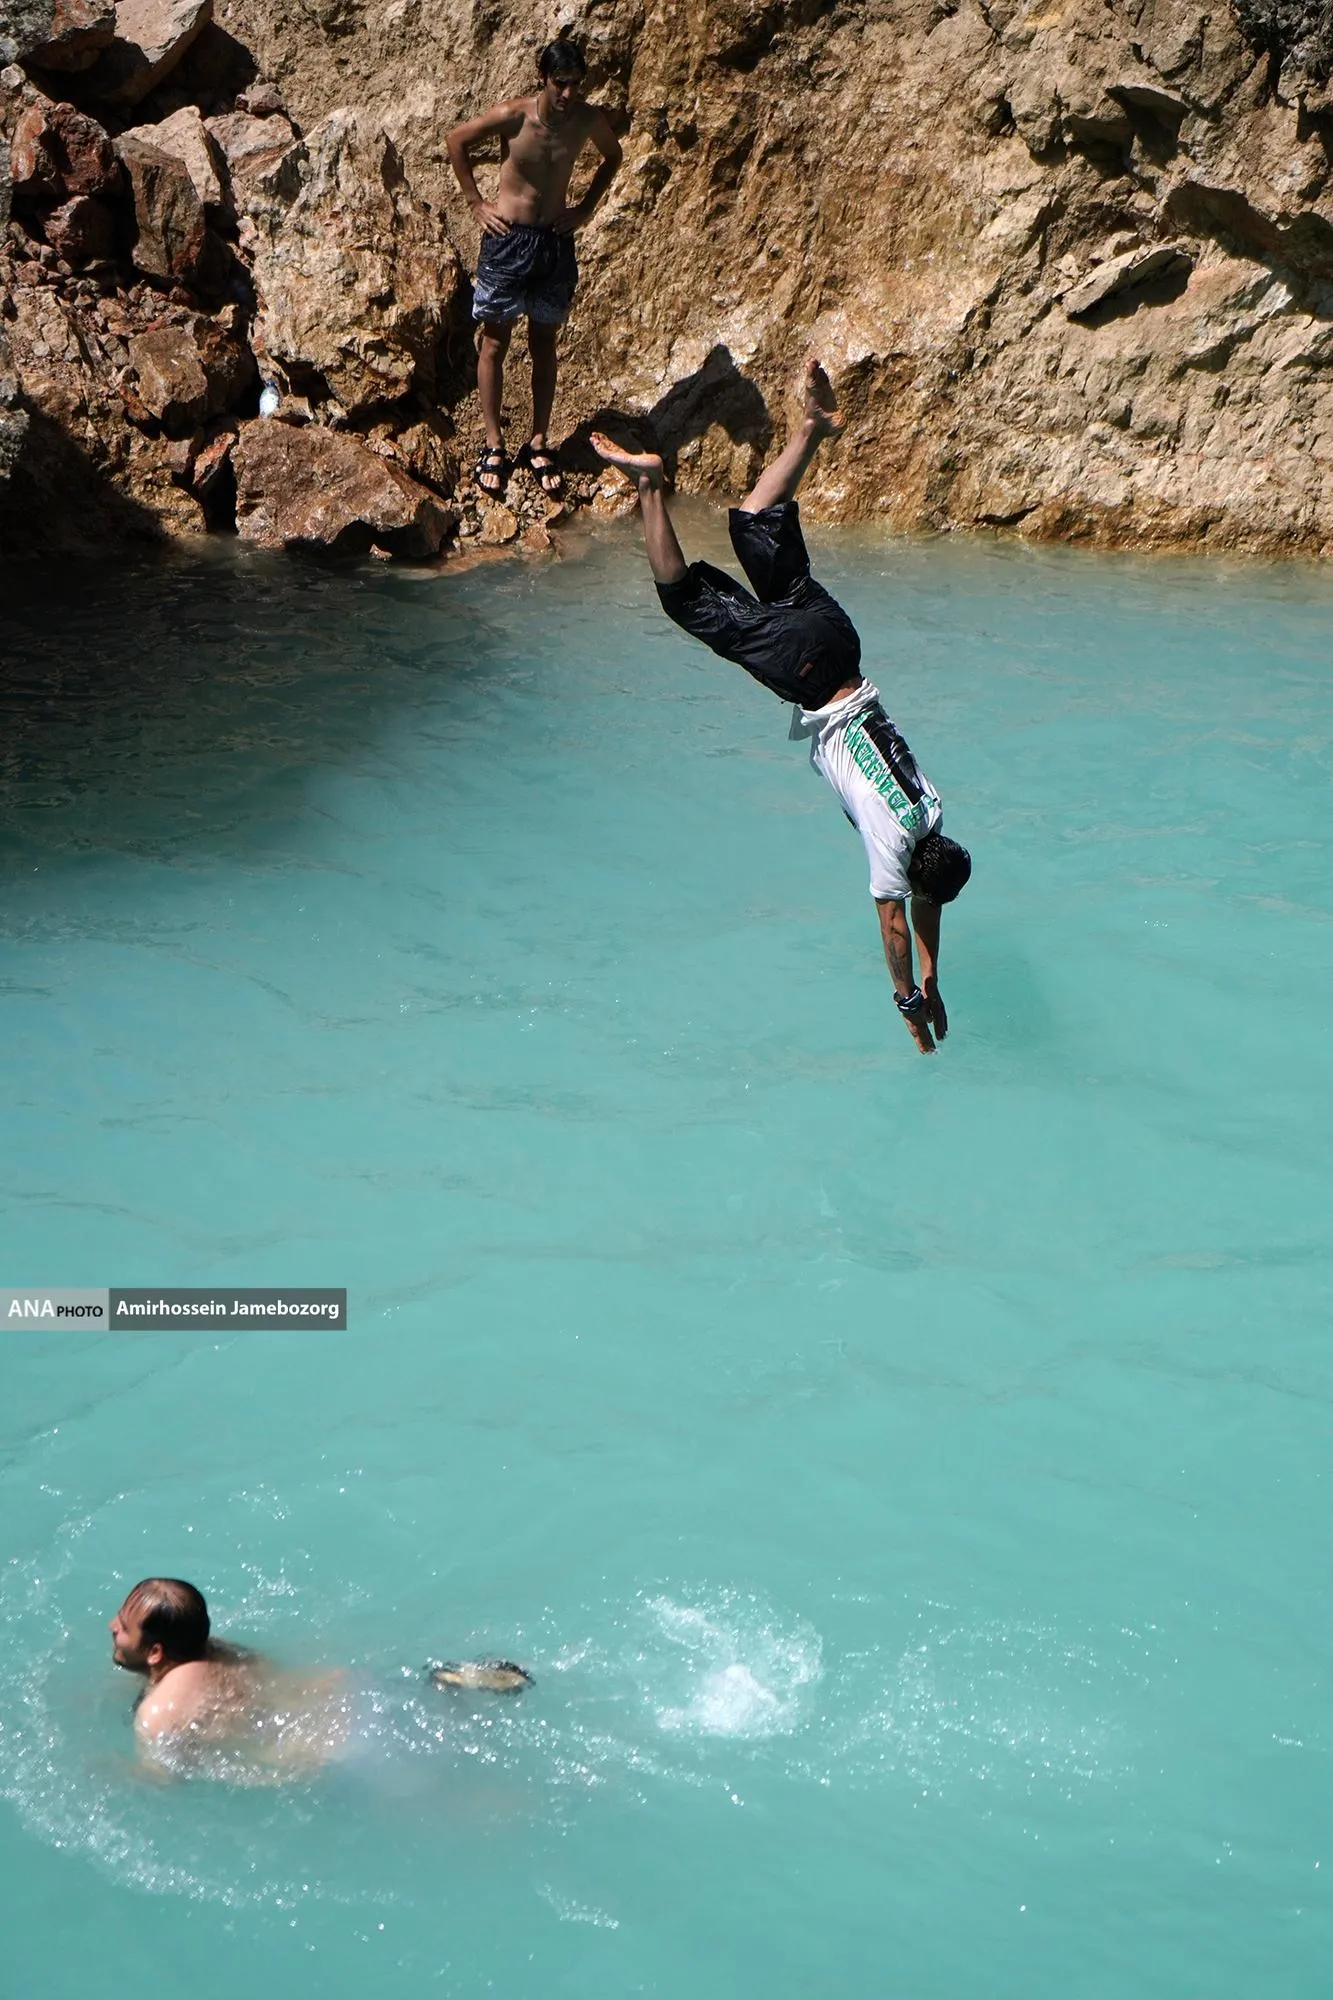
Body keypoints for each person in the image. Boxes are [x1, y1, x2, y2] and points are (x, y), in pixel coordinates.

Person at [591, 361, 972, 1053]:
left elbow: (924, 902)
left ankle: (812, 429)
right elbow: (895, 922)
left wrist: (933, 976)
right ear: (919, 878)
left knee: (754, 523)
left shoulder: (931, 815)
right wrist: (906, 998)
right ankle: (649, 486)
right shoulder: (893, 851)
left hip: (841, 646)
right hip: (807, 673)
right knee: (687, 601)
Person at [109, 1578, 531, 1777]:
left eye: (123, 1628)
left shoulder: (158, 1715)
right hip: (356, 1689)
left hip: (350, 1751)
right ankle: (443, 1684)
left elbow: (161, 1783)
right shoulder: (224, 1651)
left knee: (456, 1789)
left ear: (156, 1652)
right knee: (433, 1716)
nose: (112, 1627)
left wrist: (109, 1771)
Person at [446, 38, 623, 503]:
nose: (568, 93)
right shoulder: (515, 115)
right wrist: (476, 203)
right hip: (508, 241)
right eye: (560, 83)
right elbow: (456, 140)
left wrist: (585, 208)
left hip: (553, 244)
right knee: (495, 341)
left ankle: (539, 443)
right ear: (542, 78)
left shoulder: (585, 119)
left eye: (576, 85)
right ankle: (494, 444)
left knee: (544, 342)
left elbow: (613, 156)